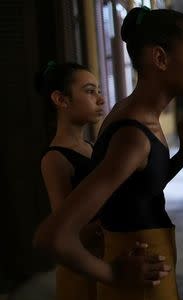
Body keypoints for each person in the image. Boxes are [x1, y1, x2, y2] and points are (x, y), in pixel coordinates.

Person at [34, 7, 183, 300]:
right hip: (138, 285)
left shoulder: (137, 117)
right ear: (160, 58)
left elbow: (133, 193)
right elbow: (52, 236)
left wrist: (181, 155)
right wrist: (113, 274)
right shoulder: (133, 135)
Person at [37, 61, 105, 300]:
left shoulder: (91, 147)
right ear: (61, 100)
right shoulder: (55, 158)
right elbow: (65, 232)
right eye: (89, 91)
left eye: (98, 90)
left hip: (102, 261)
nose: (100, 99)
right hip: (82, 271)